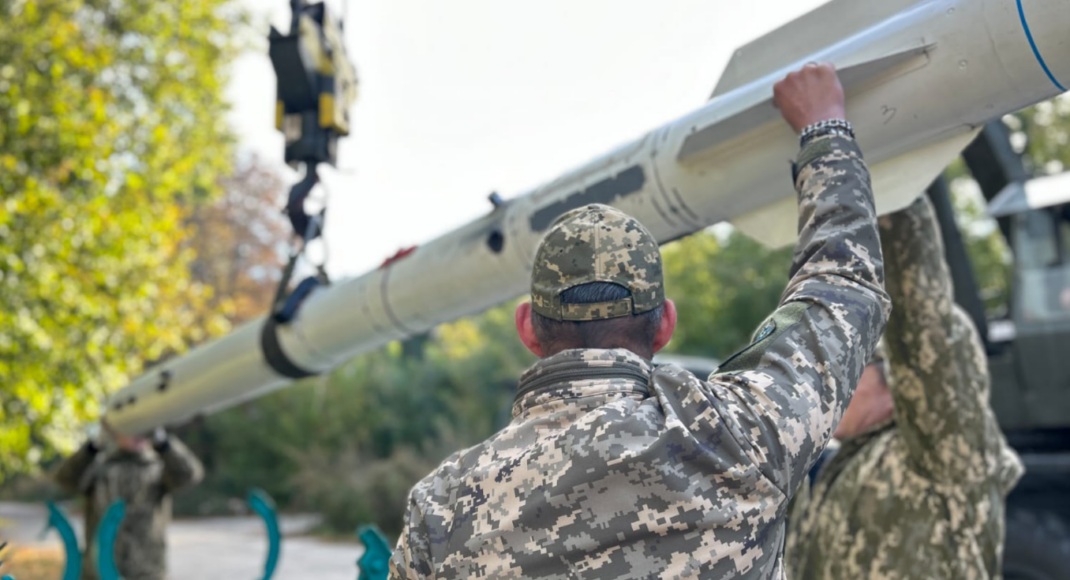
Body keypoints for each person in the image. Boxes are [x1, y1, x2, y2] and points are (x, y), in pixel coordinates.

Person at [389, 62, 890, 580]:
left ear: (528, 329)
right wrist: (824, 130)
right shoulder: (737, 436)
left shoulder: (442, 508)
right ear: (664, 324)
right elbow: (842, 287)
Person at [785, 195, 1024, 579]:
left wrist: (888, 191)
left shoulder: (940, 451)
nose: (830, 387)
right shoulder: (844, 461)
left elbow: (921, 327)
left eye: (849, 372)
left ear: (896, 378)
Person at [54, 421, 203, 580]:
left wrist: (164, 444)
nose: (137, 435)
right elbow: (66, 479)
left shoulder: (158, 467)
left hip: (147, 572)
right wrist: (92, 447)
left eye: (142, 431)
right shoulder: (100, 468)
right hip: (98, 572)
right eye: (132, 429)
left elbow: (189, 475)